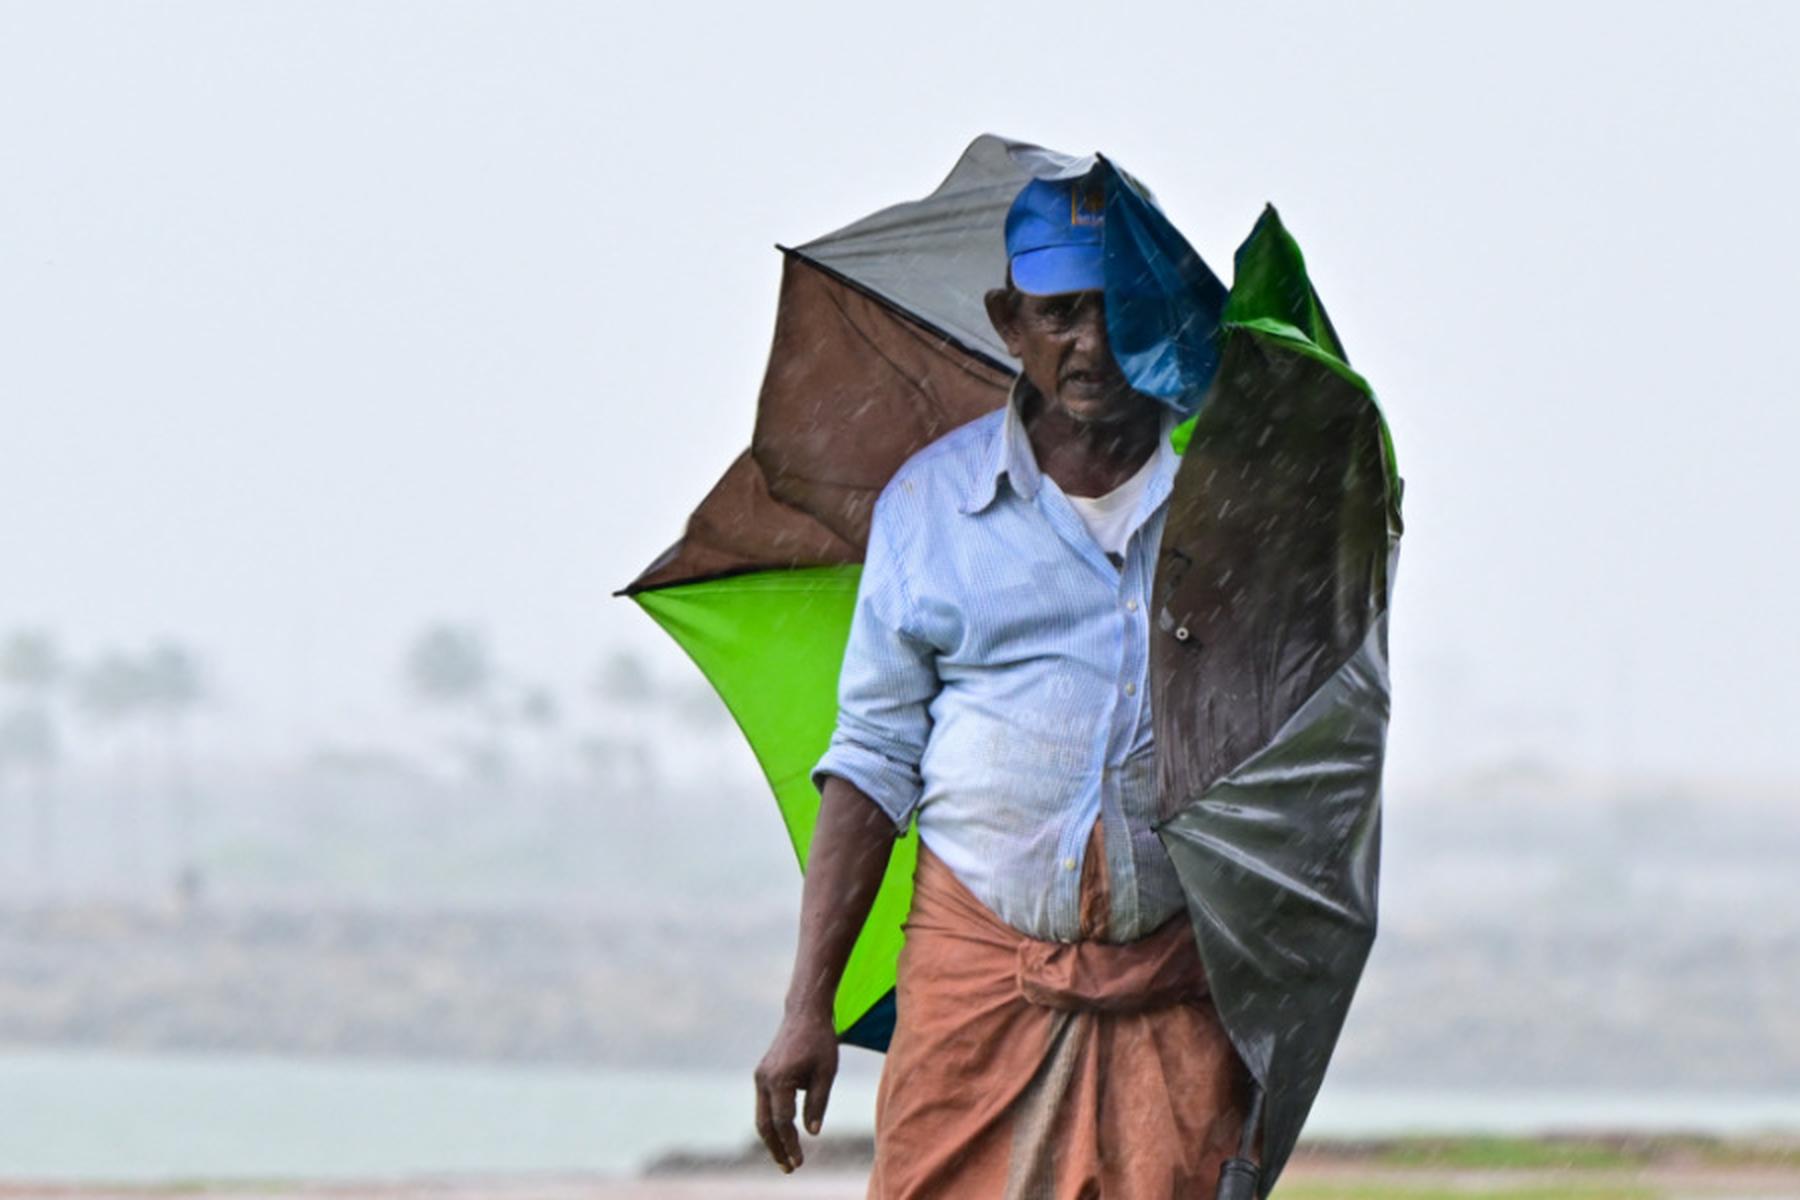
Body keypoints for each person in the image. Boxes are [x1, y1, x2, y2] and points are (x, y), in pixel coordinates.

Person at [754, 171, 1248, 1198]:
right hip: (974, 981)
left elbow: (1293, 748)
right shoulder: (931, 508)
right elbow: (873, 762)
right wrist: (809, 1008)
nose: (1093, 346)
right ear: (1008, 321)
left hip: (1178, 983)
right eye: (1061, 313)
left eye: (1120, 312)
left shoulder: (1226, 507)